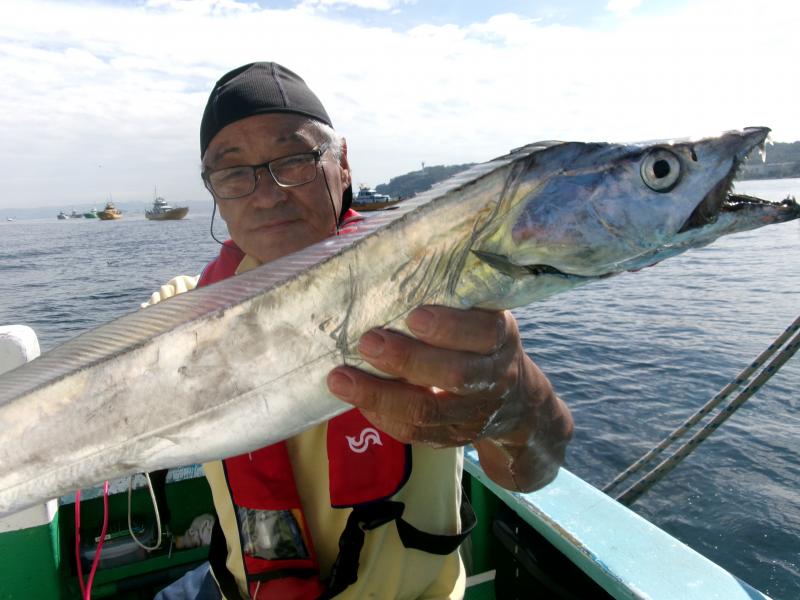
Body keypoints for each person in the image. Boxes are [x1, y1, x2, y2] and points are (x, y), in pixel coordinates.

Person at [150, 62, 573, 600]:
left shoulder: (436, 296)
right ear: (215, 191)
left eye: (294, 159)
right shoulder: (180, 316)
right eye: (234, 172)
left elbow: (533, 470)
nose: (268, 194)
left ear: (343, 164)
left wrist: (515, 402)